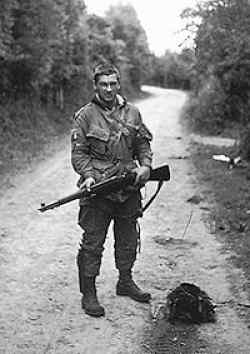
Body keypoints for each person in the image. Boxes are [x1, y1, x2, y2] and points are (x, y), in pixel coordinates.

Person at [71, 63, 153, 317]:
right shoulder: (85, 116)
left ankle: (125, 281)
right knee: (93, 243)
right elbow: (79, 154)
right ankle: (89, 293)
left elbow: (142, 145)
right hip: (98, 190)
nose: (108, 89)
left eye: (112, 83)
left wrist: (146, 167)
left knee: (128, 238)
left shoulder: (133, 113)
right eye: (103, 84)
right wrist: (88, 176)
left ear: (119, 84)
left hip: (128, 187)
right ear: (96, 86)